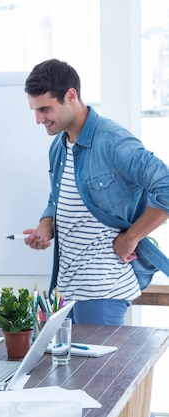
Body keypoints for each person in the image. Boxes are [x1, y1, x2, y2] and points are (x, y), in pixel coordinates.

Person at [23, 58, 169, 326]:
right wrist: (45, 227)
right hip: (66, 290)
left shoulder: (113, 142)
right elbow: (57, 199)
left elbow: (166, 187)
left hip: (101, 290)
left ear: (70, 96)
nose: (38, 119)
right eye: (34, 110)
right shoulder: (59, 146)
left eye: (45, 109)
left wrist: (132, 237)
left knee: (100, 369)